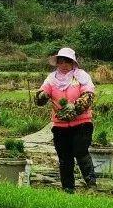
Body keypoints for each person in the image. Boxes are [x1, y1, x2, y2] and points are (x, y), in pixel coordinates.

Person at [35, 47, 96, 193]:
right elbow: (41, 95)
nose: (63, 64)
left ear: (72, 62)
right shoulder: (51, 79)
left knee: (81, 152)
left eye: (67, 61)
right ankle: (68, 189)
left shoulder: (81, 76)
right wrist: (41, 96)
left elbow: (89, 95)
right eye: (60, 61)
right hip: (60, 124)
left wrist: (75, 107)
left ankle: (91, 184)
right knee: (64, 158)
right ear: (57, 62)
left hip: (81, 122)